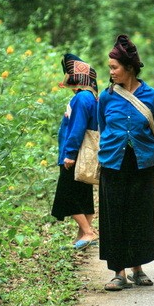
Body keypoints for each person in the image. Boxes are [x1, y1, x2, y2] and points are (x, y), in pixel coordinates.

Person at [97, 34, 154, 291]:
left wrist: (140, 145)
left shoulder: (153, 97)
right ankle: (118, 272)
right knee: (114, 216)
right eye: (110, 68)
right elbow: (103, 127)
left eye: (114, 67)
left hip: (141, 163)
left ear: (129, 68)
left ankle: (137, 269)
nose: (111, 72)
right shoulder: (106, 97)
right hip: (113, 163)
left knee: (139, 215)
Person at [51, 53, 99, 249]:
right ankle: (82, 238)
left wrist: (69, 154)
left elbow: (77, 128)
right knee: (83, 195)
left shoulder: (81, 98)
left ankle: (88, 232)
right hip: (85, 155)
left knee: (67, 196)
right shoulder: (92, 98)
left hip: (75, 155)